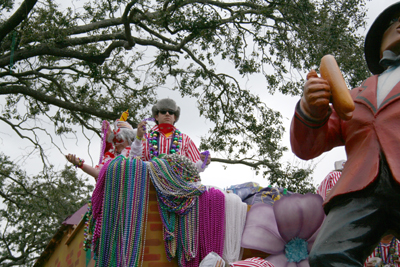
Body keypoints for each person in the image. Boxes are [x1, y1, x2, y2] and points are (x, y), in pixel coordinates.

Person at [290, 2, 400, 266]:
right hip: (361, 186)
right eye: (393, 20)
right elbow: (308, 148)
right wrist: (311, 110)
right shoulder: (353, 94)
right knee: (328, 255)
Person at [130, 98, 210, 172]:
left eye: (171, 112)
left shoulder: (185, 139)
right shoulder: (145, 137)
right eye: (163, 111)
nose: (167, 114)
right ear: (156, 117)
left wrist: (204, 161)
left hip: (177, 185)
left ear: (174, 117)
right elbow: (134, 160)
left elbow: (195, 167)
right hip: (150, 184)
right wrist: (138, 138)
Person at [66, 114, 136, 180]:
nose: (117, 144)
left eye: (120, 140)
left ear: (129, 139)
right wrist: (80, 164)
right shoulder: (110, 158)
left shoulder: (137, 153)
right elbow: (98, 173)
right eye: (114, 141)